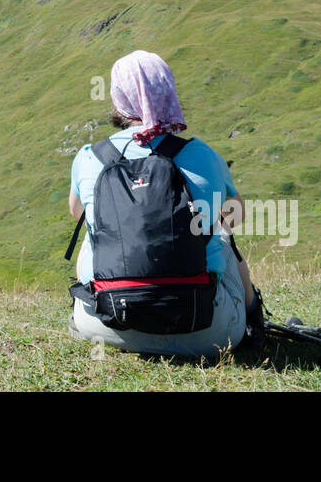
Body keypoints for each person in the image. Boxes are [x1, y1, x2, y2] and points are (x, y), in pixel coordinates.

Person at [67, 49, 261, 358]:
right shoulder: (202, 155)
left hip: (105, 327)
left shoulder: (90, 156)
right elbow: (234, 215)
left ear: (118, 99)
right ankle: (254, 318)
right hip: (208, 333)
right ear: (168, 91)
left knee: (94, 236)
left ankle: (88, 310)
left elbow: (78, 213)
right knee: (220, 236)